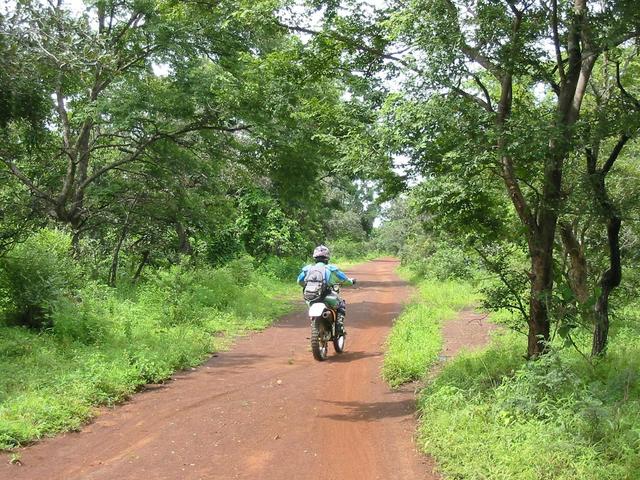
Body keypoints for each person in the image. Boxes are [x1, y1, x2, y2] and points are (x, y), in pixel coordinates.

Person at [297, 245, 356, 335]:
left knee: (310, 306)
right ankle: (339, 328)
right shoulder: (331, 269)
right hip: (326, 296)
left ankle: (315, 322)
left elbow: (299, 281)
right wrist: (351, 282)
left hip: (310, 297)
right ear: (327, 258)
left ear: (315, 258)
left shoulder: (308, 269)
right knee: (341, 305)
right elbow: (344, 280)